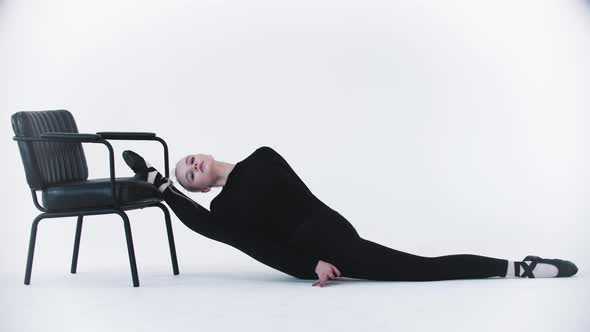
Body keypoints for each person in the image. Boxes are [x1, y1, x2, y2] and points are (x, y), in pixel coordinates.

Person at [122, 146, 578, 287]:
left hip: (334, 233)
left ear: (203, 154)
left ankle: (520, 267)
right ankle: (521, 267)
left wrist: (324, 247)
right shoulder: (222, 209)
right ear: (197, 189)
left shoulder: (262, 157)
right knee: (416, 269)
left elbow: (302, 203)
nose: (191, 168)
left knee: (417, 268)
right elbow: (246, 242)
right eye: (186, 177)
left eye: (188, 161)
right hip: (318, 253)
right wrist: (163, 190)